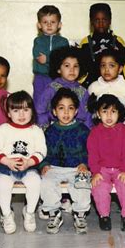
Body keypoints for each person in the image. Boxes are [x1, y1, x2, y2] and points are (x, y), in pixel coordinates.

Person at [0, 91, 47, 234]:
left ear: (31, 111)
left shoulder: (36, 130)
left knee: (35, 183)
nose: (21, 115)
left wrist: (29, 162)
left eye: (26, 110)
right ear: (9, 113)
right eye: (16, 110)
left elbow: (41, 151)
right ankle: (7, 214)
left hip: (28, 167)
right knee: (2, 185)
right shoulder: (3, 130)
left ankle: (29, 213)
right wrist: (7, 161)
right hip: (6, 167)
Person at [40, 88, 91, 234]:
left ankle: (80, 214)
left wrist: (84, 163)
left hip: (76, 167)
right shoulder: (49, 131)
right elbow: (44, 151)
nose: (66, 113)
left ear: (76, 111)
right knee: (46, 182)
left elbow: (90, 151)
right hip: (55, 167)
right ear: (55, 111)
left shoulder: (83, 130)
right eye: (61, 108)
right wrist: (44, 165)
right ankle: (54, 213)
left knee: (82, 182)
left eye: (70, 108)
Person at [87, 94, 125, 231]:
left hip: (120, 169)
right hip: (102, 169)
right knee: (99, 188)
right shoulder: (95, 132)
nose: (109, 115)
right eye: (105, 111)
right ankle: (104, 216)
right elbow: (92, 155)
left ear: (119, 113)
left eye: (113, 111)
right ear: (98, 113)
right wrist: (95, 172)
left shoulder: (123, 130)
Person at [36, 46, 92, 129]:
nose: (72, 70)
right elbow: (39, 112)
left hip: (77, 132)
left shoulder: (83, 91)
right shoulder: (51, 88)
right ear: (58, 69)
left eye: (75, 66)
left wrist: (85, 133)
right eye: (67, 66)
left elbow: (88, 117)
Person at [80, 3, 125, 88]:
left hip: (115, 87)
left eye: (104, 20)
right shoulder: (85, 43)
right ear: (91, 21)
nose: (101, 24)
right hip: (92, 88)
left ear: (110, 20)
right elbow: (81, 70)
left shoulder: (119, 42)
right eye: (97, 20)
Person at [87, 49, 125, 126]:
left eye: (111, 65)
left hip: (122, 128)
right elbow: (89, 111)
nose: (106, 70)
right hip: (100, 129)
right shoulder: (93, 87)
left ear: (120, 69)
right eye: (103, 65)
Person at [32, 5, 69, 104]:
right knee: (39, 100)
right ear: (39, 25)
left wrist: (47, 59)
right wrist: (54, 59)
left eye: (52, 22)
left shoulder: (63, 42)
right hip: (41, 77)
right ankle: (39, 119)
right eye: (45, 22)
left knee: (57, 100)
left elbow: (63, 59)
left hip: (57, 78)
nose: (49, 25)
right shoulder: (38, 41)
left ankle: (55, 119)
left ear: (59, 24)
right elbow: (39, 57)